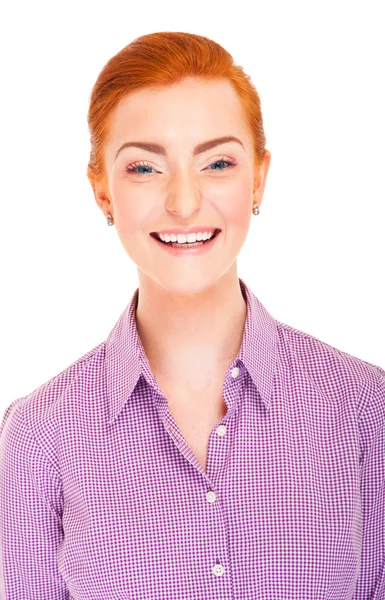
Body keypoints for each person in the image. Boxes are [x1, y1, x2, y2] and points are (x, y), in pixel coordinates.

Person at [0, 31, 384, 600]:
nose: (183, 201)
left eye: (218, 162)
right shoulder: (38, 435)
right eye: (144, 169)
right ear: (102, 190)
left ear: (258, 176)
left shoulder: (363, 408)